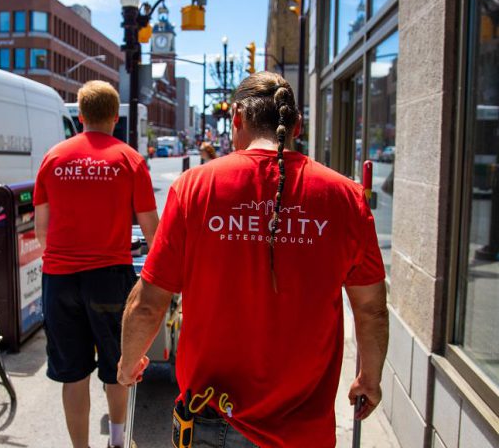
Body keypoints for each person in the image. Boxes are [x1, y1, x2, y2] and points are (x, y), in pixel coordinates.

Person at [117, 72, 389, 447]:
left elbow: (148, 304)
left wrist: (128, 363)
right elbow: (372, 308)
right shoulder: (346, 198)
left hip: (213, 417)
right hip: (304, 428)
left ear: (237, 119)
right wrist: (369, 379)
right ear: (297, 124)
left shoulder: (195, 187)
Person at [34, 80, 159, 448]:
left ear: (82, 115)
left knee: (72, 374)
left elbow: (42, 229)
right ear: (115, 117)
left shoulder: (53, 158)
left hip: (59, 279)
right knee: (117, 368)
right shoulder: (129, 159)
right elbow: (152, 227)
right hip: (108, 279)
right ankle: (118, 442)